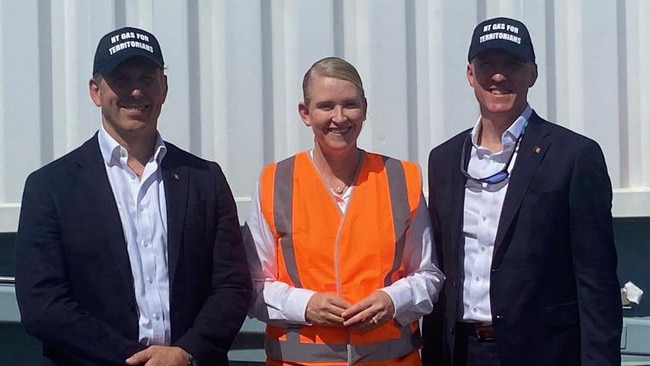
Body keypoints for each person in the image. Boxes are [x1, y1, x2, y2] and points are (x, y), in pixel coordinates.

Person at [14, 26, 252, 366]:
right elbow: (43, 305)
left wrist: (185, 354)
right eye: (121, 79)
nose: (136, 90)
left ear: (164, 88)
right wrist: (134, 360)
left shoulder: (204, 179)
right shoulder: (51, 187)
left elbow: (233, 285)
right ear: (96, 91)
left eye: (147, 78)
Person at [422, 17, 622, 365]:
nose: (498, 76)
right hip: (462, 353)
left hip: (544, 353)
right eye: (487, 65)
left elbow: (597, 283)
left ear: (532, 74)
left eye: (512, 64)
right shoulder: (444, 159)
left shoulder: (573, 156)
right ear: (470, 74)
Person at [243, 56, 444, 365]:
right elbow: (253, 286)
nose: (339, 117)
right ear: (305, 113)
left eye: (349, 104)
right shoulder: (275, 182)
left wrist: (393, 300)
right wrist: (305, 305)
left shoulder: (401, 178)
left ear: (364, 107)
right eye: (326, 106)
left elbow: (428, 275)